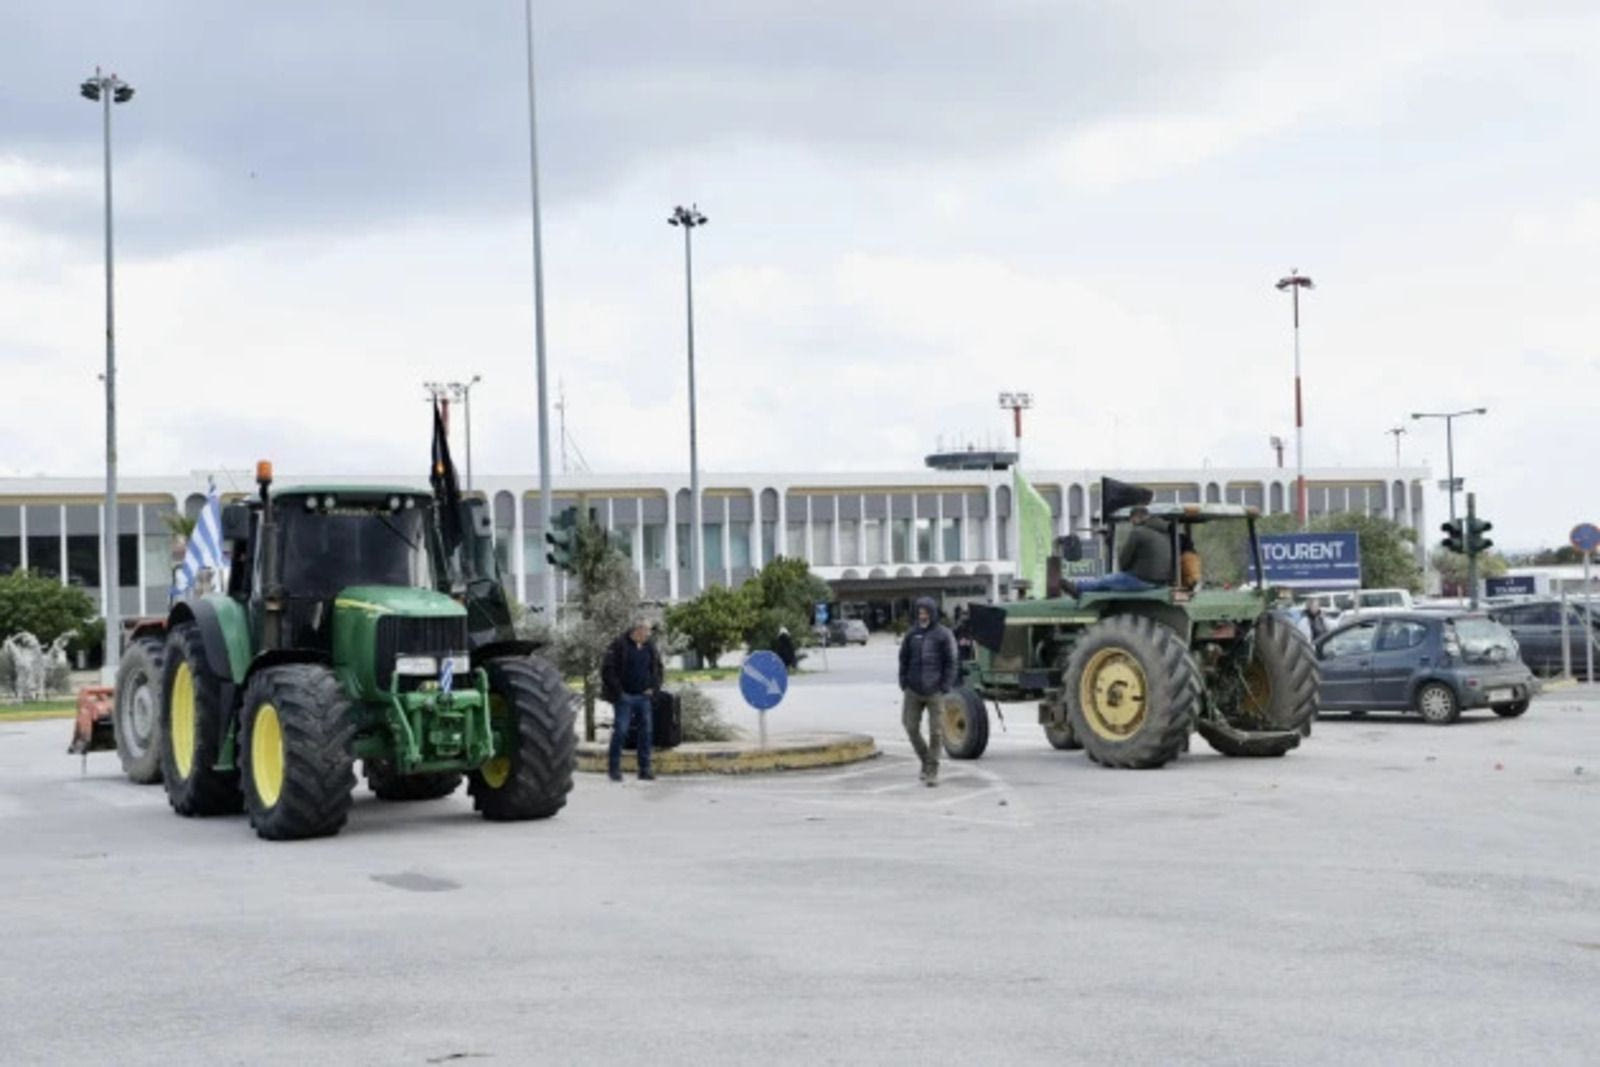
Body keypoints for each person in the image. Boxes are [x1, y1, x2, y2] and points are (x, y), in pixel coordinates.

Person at [898, 596, 958, 787]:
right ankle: (926, 760)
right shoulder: (911, 634)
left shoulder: (943, 634)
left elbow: (951, 662)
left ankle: (932, 772)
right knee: (910, 727)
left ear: (932, 613)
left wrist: (945, 685)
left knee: (936, 732)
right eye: (919, 612)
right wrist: (904, 682)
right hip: (913, 690)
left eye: (925, 612)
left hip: (935, 691)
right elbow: (903, 659)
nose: (922, 615)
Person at [600, 616, 663, 782]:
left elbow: (657, 669)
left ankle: (645, 769)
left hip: (644, 697)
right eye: (646, 630)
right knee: (621, 731)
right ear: (638, 630)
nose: (649, 634)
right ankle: (614, 769)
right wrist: (619, 692)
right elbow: (607, 670)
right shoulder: (619, 644)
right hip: (624, 697)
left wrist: (654, 687)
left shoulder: (650, 647)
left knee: (646, 733)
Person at [1063, 506, 1173, 595]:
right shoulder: (1163, 533)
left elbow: (1124, 560)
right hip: (1160, 581)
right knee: (1110, 581)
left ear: (1136, 517)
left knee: (1106, 580)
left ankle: (1077, 588)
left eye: (1131, 520)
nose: (1131, 522)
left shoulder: (1138, 532)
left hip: (1143, 580)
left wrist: (1125, 569)